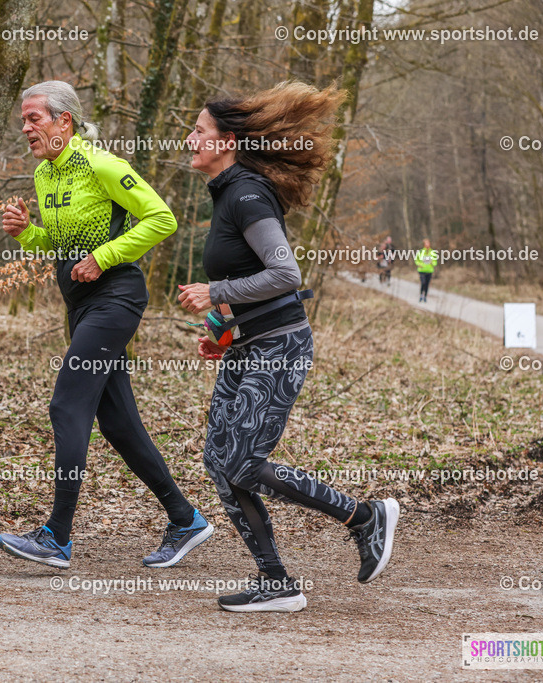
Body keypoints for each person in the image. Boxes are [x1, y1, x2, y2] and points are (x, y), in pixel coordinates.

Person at [177, 81, 400, 613]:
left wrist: (217, 292)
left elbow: (284, 273)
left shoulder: (247, 195)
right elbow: (249, 280)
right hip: (247, 346)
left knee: (245, 463)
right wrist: (221, 330)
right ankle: (276, 582)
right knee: (220, 462)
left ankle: (364, 516)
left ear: (227, 141)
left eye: (200, 131)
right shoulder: (229, 195)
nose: (191, 138)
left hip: (279, 346)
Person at [0, 81, 213, 569]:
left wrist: (104, 257)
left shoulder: (102, 164)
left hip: (116, 299)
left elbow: (162, 218)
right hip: (81, 305)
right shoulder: (44, 176)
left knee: (67, 403)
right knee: (116, 422)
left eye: (34, 119)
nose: (26, 128)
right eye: (24, 120)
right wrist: (25, 232)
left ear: (63, 122)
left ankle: (57, 536)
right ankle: (185, 519)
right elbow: (58, 245)